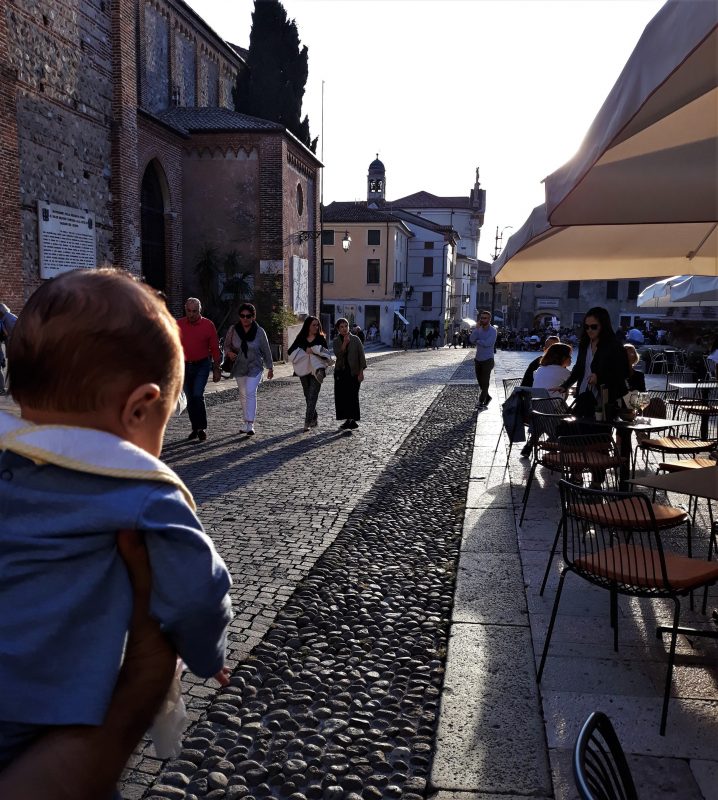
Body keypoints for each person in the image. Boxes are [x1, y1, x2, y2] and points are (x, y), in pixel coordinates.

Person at [0, 268, 233, 784]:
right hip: (56, 713)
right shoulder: (140, 489)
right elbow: (197, 593)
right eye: (165, 421)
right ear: (140, 407)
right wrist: (205, 651)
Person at [561, 306, 629, 412]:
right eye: (586, 327)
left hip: (606, 398)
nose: (589, 330)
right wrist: (565, 385)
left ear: (603, 326)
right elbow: (579, 368)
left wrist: (599, 377)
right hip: (584, 395)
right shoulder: (585, 344)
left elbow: (623, 372)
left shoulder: (614, 346)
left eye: (593, 327)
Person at [224, 302, 274, 435]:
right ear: (239, 316)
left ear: (253, 317)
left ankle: (250, 424)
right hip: (239, 366)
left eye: (248, 316)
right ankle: (245, 422)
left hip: (255, 366)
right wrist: (229, 353)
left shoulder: (259, 332)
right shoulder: (233, 330)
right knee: (243, 394)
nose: (245, 318)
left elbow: (266, 351)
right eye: (242, 316)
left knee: (251, 392)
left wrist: (270, 367)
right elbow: (226, 345)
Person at [177, 297, 221, 442]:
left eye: (194, 311)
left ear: (199, 310)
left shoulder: (208, 325)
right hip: (184, 365)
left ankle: (201, 427)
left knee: (197, 394)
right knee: (189, 398)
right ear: (185, 309)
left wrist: (216, 368)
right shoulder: (179, 324)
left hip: (202, 364)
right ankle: (195, 427)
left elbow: (215, 348)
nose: (191, 314)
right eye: (189, 311)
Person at [287, 315, 332, 432]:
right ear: (308, 326)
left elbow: (326, 355)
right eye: (314, 325)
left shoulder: (321, 339)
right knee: (308, 395)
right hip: (303, 370)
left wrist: (313, 351)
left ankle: (307, 422)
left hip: (317, 371)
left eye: (318, 325)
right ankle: (314, 416)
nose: (316, 327)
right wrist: (303, 349)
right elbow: (290, 351)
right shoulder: (301, 338)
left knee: (313, 397)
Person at [333, 317, 366, 430]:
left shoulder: (356, 339)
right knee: (343, 397)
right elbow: (338, 355)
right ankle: (349, 420)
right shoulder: (336, 341)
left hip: (353, 372)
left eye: (346, 326)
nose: (344, 329)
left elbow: (361, 357)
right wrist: (344, 344)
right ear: (338, 328)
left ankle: (352, 420)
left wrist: (361, 373)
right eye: (341, 327)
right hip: (341, 373)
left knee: (353, 396)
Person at [470, 310, 497, 409]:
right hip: (478, 359)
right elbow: (471, 340)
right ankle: (488, 397)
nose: (482, 320)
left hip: (488, 359)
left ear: (489, 319)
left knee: (485, 382)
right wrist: (476, 330)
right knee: (480, 381)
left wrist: (478, 341)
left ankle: (481, 401)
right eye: (481, 318)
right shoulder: (478, 329)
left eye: (485, 318)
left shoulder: (493, 331)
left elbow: (488, 344)